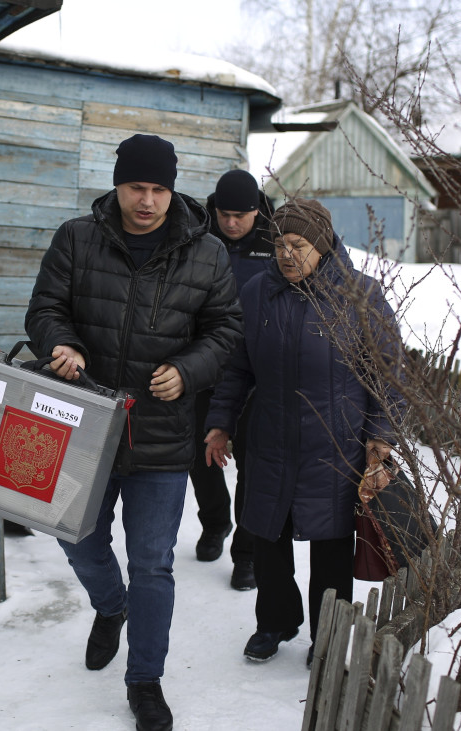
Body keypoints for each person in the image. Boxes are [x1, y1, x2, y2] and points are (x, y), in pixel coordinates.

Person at [24, 133, 243, 731]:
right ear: (117, 183)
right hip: (84, 424)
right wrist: (59, 342)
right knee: (74, 536)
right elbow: (44, 308)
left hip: (163, 435)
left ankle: (145, 681)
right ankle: (109, 606)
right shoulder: (77, 237)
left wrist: (190, 370)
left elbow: (226, 331)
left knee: (153, 564)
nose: (146, 201)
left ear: (172, 190)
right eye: (135, 187)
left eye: (158, 189)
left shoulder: (205, 253)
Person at [203, 199, 405, 667]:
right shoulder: (257, 293)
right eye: (279, 244)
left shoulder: (361, 296)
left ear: (324, 246)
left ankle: (328, 634)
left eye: (298, 245)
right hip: (270, 437)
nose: (287, 254)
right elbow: (237, 368)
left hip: (335, 443)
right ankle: (274, 622)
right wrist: (220, 423)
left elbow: (388, 375)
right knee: (267, 537)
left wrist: (381, 438)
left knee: (331, 546)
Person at [189, 169, 275, 591]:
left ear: (257, 211)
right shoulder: (196, 233)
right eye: (225, 214)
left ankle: (246, 554)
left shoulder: (276, 242)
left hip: (255, 373)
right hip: (204, 363)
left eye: (241, 216)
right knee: (199, 453)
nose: (232, 223)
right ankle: (215, 522)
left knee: (251, 465)